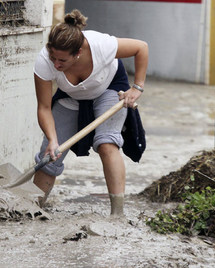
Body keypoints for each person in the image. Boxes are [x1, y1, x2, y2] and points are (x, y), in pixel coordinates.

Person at [32, 9, 148, 216]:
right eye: (53, 57)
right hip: (71, 95)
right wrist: (52, 139)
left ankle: (117, 214)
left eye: (62, 61)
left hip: (109, 89)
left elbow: (141, 47)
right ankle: (32, 209)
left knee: (106, 143)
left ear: (78, 53)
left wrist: (137, 87)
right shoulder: (45, 61)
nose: (56, 64)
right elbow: (44, 107)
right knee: (49, 155)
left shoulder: (100, 45)